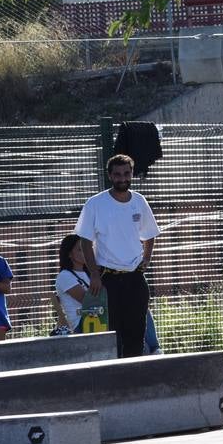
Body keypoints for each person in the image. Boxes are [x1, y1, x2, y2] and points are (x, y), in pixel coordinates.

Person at [76, 153, 160, 358]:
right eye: (117, 174)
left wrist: (147, 258)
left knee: (137, 331)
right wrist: (94, 274)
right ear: (110, 176)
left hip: (135, 277)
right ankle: (114, 379)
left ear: (132, 174)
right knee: (113, 334)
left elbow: (150, 234)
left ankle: (134, 379)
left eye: (126, 173)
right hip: (108, 280)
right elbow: (85, 240)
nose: (122, 178)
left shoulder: (139, 201)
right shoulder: (95, 203)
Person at [52, 234, 90, 334]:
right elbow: (88, 300)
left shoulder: (90, 274)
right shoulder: (65, 276)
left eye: (86, 249)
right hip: (82, 324)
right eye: (80, 249)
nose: (85, 252)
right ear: (69, 254)